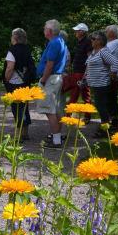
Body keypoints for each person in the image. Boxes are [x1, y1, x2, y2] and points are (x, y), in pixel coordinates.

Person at [36, 19, 67, 147]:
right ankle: (57, 137)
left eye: (44, 28)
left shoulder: (54, 43)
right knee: (56, 109)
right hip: (56, 78)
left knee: (50, 110)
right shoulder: (59, 41)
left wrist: (43, 80)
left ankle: (56, 141)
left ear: (49, 31)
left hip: (51, 79)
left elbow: (50, 64)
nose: (43, 30)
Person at [3, 28, 36, 141]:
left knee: (16, 108)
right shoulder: (27, 49)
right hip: (25, 82)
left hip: (14, 83)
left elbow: (10, 67)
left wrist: (6, 79)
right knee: (24, 107)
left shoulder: (12, 50)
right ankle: (25, 133)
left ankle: (18, 136)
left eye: (12, 36)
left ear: (15, 38)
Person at [85, 31, 118, 131]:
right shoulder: (93, 52)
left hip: (102, 84)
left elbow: (115, 62)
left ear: (100, 41)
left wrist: (113, 74)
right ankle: (105, 127)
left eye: (93, 39)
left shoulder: (103, 51)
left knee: (101, 107)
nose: (91, 40)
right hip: (95, 84)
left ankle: (105, 129)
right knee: (100, 106)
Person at [68, 23, 93, 123]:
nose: (75, 32)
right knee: (75, 94)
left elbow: (90, 58)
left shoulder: (87, 42)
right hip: (77, 71)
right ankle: (69, 115)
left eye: (77, 31)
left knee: (84, 95)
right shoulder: (80, 42)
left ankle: (86, 116)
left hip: (82, 72)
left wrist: (86, 74)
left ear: (82, 32)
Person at [105, 25, 118, 131]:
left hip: (112, 75)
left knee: (110, 99)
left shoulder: (115, 43)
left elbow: (103, 55)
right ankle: (111, 121)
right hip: (109, 74)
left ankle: (114, 123)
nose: (105, 32)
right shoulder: (111, 43)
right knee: (109, 99)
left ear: (112, 33)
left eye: (106, 31)